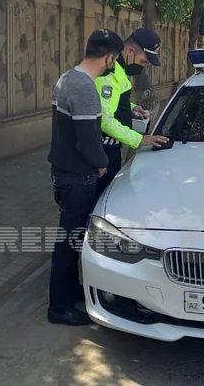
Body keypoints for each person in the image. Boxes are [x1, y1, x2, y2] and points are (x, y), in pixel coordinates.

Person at [46, 28, 124, 326]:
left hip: (64, 173)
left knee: (71, 238)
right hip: (78, 176)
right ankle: (59, 307)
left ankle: (70, 292)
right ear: (110, 58)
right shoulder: (85, 88)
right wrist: (102, 164)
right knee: (69, 242)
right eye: (114, 60)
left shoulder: (68, 78)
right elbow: (88, 142)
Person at [94, 27, 170, 198]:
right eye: (143, 61)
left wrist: (131, 108)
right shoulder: (109, 73)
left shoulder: (119, 70)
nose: (143, 66)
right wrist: (140, 139)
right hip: (103, 151)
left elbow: (110, 102)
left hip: (111, 147)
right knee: (102, 200)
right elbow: (104, 119)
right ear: (130, 51)